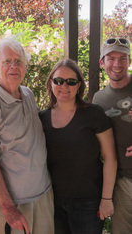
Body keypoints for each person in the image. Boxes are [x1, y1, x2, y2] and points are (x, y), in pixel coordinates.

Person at [0, 37, 54, 234]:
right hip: (13, 206)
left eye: (19, 61)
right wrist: (8, 209)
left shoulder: (28, 94)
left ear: (25, 67)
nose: (14, 66)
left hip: (42, 196)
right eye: (7, 61)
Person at [39, 59, 117, 234]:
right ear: (51, 82)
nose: (64, 86)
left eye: (71, 81)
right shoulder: (41, 118)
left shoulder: (93, 114)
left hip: (89, 204)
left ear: (79, 85)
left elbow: (110, 157)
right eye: (58, 80)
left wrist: (106, 198)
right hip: (53, 203)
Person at [93, 38, 132, 233]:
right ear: (102, 62)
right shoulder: (99, 99)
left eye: (122, 58)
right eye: (111, 58)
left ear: (129, 61)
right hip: (123, 181)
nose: (117, 64)